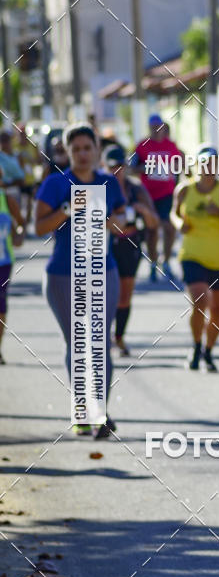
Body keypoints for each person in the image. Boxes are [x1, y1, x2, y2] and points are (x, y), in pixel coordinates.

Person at [34, 123, 126, 439]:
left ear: (97, 150)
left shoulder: (109, 183)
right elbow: (38, 227)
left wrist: (115, 223)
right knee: (77, 344)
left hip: (104, 271)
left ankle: (98, 412)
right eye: (76, 150)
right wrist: (67, 209)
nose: (83, 155)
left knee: (99, 343)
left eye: (88, 148)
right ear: (67, 152)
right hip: (63, 274)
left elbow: (123, 221)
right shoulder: (55, 184)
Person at [172, 146, 219, 372]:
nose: (209, 169)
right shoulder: (184, 190)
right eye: (205, 164)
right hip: (192, 253)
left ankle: (208, 351)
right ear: (197, 165)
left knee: (217, 311)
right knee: (200, 301)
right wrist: (180, 224)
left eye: (214, 164)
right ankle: (196, 345)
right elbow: (174, 213)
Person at [104, 143, 159, 356]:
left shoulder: (136, 188)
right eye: (111, 167)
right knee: (105, 293)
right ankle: (103, 336)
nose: (116, 171)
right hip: (105, 245)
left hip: (130, 245)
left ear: (126, 166)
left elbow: (154, 222)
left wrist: (142, 210)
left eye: (120, 166)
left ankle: (119, 337)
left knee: (124, 295)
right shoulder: (99, 187)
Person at [131, 113, 182, 282]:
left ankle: (166, 261)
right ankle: (153, 263)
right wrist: (147, 167)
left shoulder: (171, 145)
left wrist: (175, 167)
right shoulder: (142, 146)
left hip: (167, 193)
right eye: (152, 127)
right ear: (149, 128)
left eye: (158, 126)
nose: (156, 129)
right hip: (148, 195)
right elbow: (132, 168)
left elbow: (179, 164)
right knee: (152, 231)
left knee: (169, 228)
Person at [0, 186, 25, 364]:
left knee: (0, 304)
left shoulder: (7, 200)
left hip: (3, 262)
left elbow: (21, 224)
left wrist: (18, 237)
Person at [14, 125, 39, 226]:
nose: (22, 135)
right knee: (18, 205)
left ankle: (26, 225)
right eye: (20, 133)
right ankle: (19, 224)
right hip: (17, 179)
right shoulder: (13, 145)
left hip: (29, 179)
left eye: (24, 133)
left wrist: (29, 159)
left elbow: (38, 161)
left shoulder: (32, 145)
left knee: (29, 204)